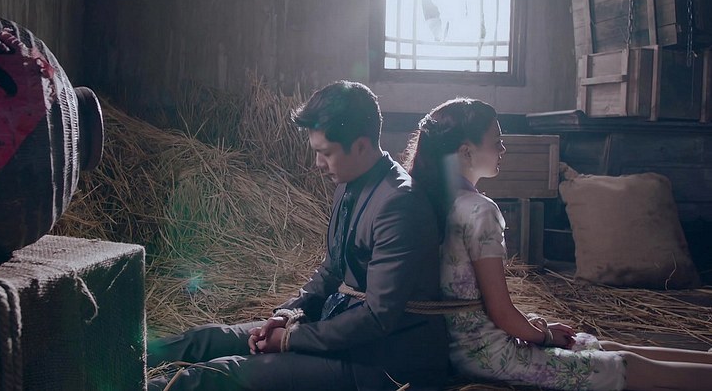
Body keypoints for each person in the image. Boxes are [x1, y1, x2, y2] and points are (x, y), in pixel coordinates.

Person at [146, 81, 449, 390]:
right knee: (208, 339)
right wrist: (286, 314)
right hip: (338, 327)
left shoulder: (399, 203)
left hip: (379, 361)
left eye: (325, 153)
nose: (318, 164)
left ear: (360, 146)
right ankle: (128, 357)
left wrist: (290, 339)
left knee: (219, 374)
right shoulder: (349, 182)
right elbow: (332, 270)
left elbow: (376, 317)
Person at [403, 97, 712, 391]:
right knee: (624, 365)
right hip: (491, 353)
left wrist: (538, 329)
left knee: (598, 346)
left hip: (466, 346)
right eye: (496, 141)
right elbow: (501, 311)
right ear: (466, 152)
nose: (503, 148)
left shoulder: (436, 200)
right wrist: (545, 335)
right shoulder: (479, 210)